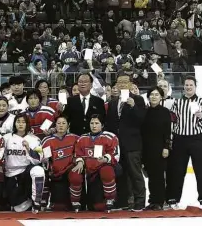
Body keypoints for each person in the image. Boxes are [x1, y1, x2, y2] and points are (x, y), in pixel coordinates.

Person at [105, 72, 147, 211]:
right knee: (120, 174)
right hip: (117, 146)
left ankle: (139, 201)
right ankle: (122, 201)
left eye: (125, 82)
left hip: (132, 144)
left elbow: (142, 120)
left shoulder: (139, 100)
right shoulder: (112, 103)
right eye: (120, 82)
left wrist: (134, 106)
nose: (122, 84)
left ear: (130, 84)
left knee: (135, 174)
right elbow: (110, 125)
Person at [70, 115, 119, 212]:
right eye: (92, 123)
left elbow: (116, 153)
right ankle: (75, 202)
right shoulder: (82, 138)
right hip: (88, 170)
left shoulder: (110, 136)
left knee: (107, 170)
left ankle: (110, 199)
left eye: (97, 123)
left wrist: (106, 158)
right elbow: (77, 153)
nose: (94, 126)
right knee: (74, 174)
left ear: (102, 125)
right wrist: (79, 162)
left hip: (103, 168)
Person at [166, 76, 202, 209]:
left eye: (190, 85)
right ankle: (174, 198)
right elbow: (173, 120)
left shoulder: (201, 101)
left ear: (195, 86)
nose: (188, 87)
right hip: (179, 139)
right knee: (178, 170)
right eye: (186, 85)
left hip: (197, 138)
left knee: (200, 170)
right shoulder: (177, 102)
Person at [3, 113, 45, 213]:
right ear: (14, 124)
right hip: (11, 174)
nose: (21, 124)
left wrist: (28, 148)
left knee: (38, 170)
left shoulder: (34, 139)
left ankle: (37, 201)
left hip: (27, 172)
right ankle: (28, 200)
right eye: (18, 122)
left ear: (27, 124)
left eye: (23, 122)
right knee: (18, 209)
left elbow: (39, 160)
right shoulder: (6, 138)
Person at [141, 86, 171, 211]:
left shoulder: (164, 112)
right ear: (148, 97)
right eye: (152, 94)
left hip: (160, 148)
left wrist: (166, 147)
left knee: (158, 176)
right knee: (151, 176)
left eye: (156, 95)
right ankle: (152, 201)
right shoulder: (144, 111)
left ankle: (159, 201)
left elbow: (167, 131)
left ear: (161, 97)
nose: (154, 97)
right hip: (147, 148)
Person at [41, 116, 80, 211]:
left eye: (63, 123)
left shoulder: (75, 138)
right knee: (59, 208)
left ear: (68, 125)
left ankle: (76, 202)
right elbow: (46, 159)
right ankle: (43, 202)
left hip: (69, 170)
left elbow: (80, 153)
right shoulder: (47, 141)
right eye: (59, 123)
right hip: (55, 173)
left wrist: (80, 162)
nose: (61, 125)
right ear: (55, 126)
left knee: (76, 174)